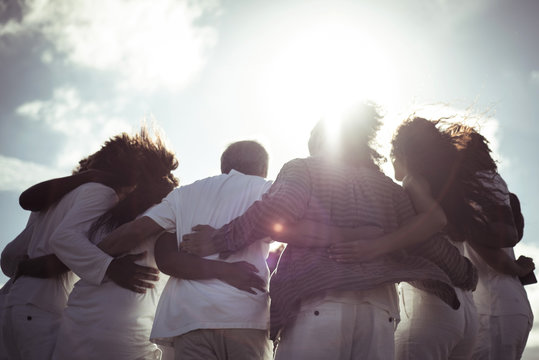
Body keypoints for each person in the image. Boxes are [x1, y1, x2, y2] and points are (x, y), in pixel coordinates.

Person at [182, 104, 478, 360]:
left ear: (322, 140)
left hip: (318, 301)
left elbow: (278, 209)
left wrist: (220, 238)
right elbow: (427, 243)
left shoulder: (304, 168)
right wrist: (465, 273)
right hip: (380, 312)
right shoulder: (390, 190)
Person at [1, 129, 172, 360]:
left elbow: (10, 257)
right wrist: (109, 267)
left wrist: (29, 268)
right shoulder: (101, 194)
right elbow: (64, 240)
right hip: (41, 307)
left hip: (13, 303)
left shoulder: (53, 201)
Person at [96, 140, 275, 360]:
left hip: (188, 321)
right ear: (263, 169)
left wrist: (90, 254)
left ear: (224, 167)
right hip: (245, 316)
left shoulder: (183, 195)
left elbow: (140, 237)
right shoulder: (269, 190)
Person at [387, 117, 481, 359]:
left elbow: (435, 219)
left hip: (430, 307)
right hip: (466, 313)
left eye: (392, 153)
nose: (390, 159)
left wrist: (381, 245)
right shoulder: (449, 190)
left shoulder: (412, 180)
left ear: (404, 153)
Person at [447, 124, 534, 360]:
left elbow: (488, 240)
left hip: (494, 308)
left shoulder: (476, 184)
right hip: (506, 304)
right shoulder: (496, 187)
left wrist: (514, 267)